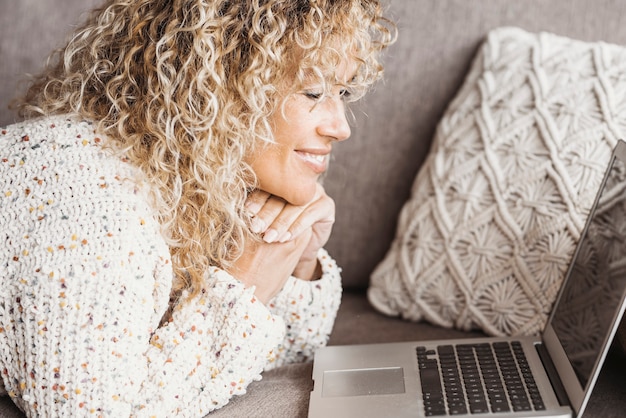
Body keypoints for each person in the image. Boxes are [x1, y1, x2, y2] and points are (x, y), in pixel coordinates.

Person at [0, 0, 395, 416]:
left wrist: (299, 258)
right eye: (314, 92)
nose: (341, 127)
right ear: (216, 86)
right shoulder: (86, 194)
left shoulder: (204, 181)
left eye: (343, 92)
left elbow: (284, 356)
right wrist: (246, 288)